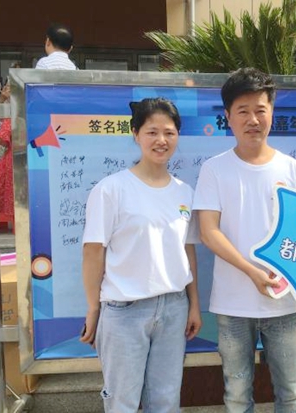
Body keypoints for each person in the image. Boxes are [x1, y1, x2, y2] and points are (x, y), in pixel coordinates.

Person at [193, 67, 296, 412]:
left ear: (272, 112)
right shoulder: (214, 169)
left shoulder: (294, 171)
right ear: (228, 116)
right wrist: (252, 271)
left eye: (260, 109)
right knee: (236, 394)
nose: (253, 119)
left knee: (291, 392)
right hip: (232, 306)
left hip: (285, 303)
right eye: (243, 111)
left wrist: (288, 271)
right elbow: (209, 231)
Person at [80, 98, 201, 413]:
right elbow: (93, 251)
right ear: (135, 134)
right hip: (125, 311)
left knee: (166, 401)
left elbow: (187, 249)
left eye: (169, 133)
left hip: (174, 308)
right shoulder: (112, 189)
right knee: (122, 401)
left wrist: (193, 305)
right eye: (152, 132)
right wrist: (93, 309)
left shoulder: (184, 192)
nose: (161, 140)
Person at [0, 83, 14, 230]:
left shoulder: (14, 111)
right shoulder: (3, 105)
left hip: (10, 156)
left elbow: (1, 137)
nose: (6, 90)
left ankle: (3, 220)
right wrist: (1, 99)